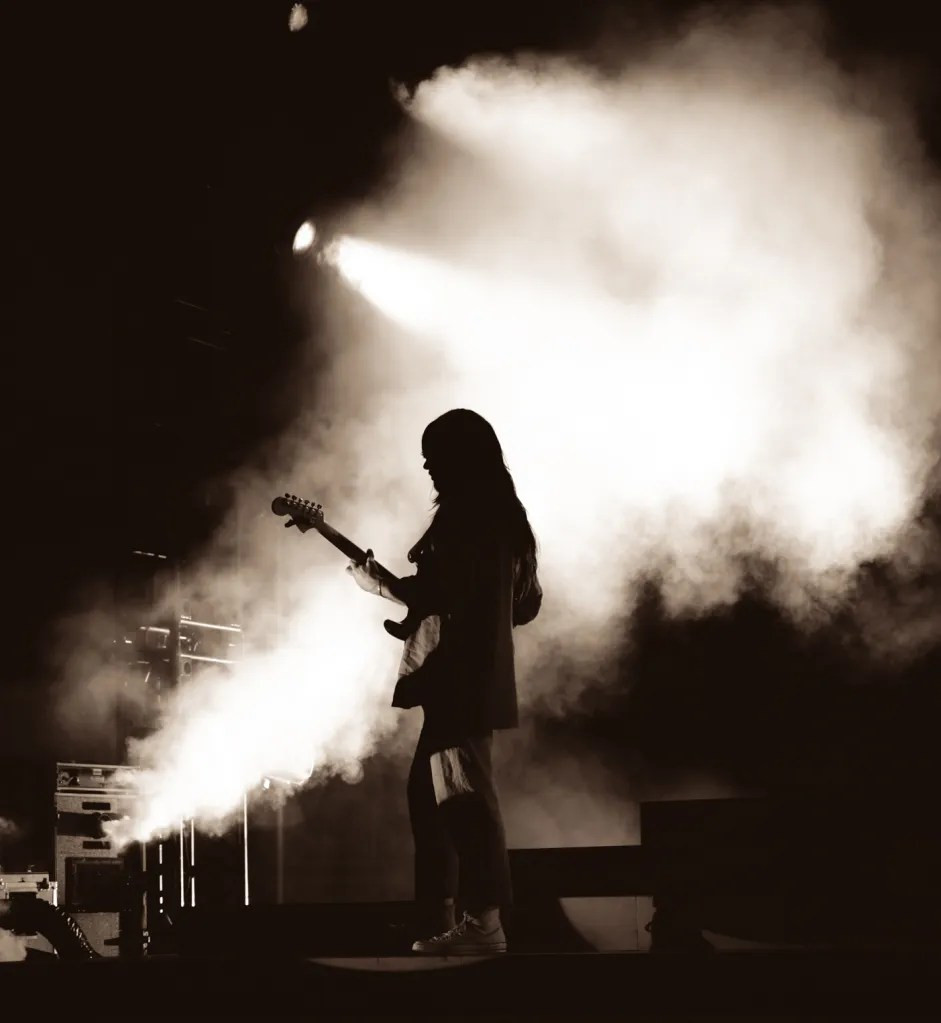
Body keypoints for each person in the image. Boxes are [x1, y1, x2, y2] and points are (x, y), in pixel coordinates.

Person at [347, 409, 542, 955]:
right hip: (471, 677)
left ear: (460, 457)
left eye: (435, 454)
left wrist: (379, 585)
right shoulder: (504, 516)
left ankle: (482, 925)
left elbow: (440, 592)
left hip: (460, 680)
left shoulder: (466, 514)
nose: (427, 465)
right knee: (434, 799)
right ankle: (449, 922)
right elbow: (525, 604)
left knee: (460, 800)